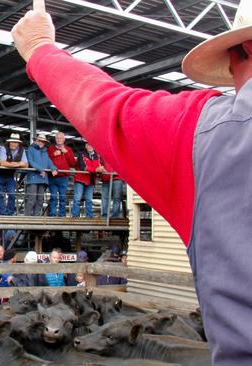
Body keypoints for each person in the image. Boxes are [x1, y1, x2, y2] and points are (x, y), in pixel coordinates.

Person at [13, 2, 252, 362]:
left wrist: (40, 48)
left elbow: (107, 107)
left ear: (245, 47)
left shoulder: (209, 133)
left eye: (231, 61)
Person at [0, 133, 28, 215]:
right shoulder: (3, 148)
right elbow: (2, 163)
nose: (13, 143)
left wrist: (17, 164)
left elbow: (26, 165)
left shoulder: (22, 150)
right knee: (0, 194)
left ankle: (10, 213)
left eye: (15, 142)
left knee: (12, 194)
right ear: (9, 142)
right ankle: (1, 213)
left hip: (10, 175)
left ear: (18, 143)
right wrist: (15, 164)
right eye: (12, 142)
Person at [25, 134, 58, 216]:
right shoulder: (31, 149)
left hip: (43, 179)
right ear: (36, 141)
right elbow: (31, 161)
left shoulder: (45, 152)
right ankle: (27, 219)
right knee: (31, 199)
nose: (41, 142)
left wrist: (54, 168)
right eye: (39, 140)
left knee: (40, 200)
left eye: (43, 141)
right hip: (33, 178)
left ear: (44, 143)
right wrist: (41, 170)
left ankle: (36, 219)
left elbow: (49, 162)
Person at [46, 132, 76, 217]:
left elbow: (73, 163)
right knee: (53, 197)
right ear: (55, 139)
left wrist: (66, 153)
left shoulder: (68, 149)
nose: (59, 140)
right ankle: (53, 215)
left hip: (64, 177)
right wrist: (53, 155)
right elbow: (46, 161)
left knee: (63, 198)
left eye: (60, 138)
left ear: (64, 139)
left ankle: (62, 215)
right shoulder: (51, 149)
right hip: (52, 177)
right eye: (57, 138)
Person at [71, 143, 101, 218]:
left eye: (92, 145)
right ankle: (75, 217)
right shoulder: (81, 154)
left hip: (91, 180)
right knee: (77, 198)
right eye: (88, 145)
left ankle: (89, 217)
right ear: (86, 146)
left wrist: (97, 170)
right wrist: (95, 170)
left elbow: (100, 168)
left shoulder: (98, 156)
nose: (90, 146)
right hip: (80, 179)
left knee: (89, 200)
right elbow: (83, 167)